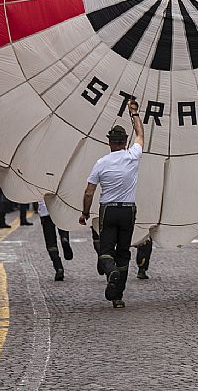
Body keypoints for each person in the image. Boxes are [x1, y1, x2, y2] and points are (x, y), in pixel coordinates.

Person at [79, 101, 144, 309]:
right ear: (125, 142)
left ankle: (111, 272)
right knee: (124, 251)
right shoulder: (132, 156)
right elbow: (141, 135)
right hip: (128, 210)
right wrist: (134, 114)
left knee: (106, 249)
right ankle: (118, 297)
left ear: (109, 143)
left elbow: (89, 191)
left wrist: (85, 213)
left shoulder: (101, 163)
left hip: (108, 209)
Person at [36, 199, 73, 281]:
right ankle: (64, 239)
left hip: (45, 210)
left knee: (51, 242)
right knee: (63, 226)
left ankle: (58, 267)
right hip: (60, 208)